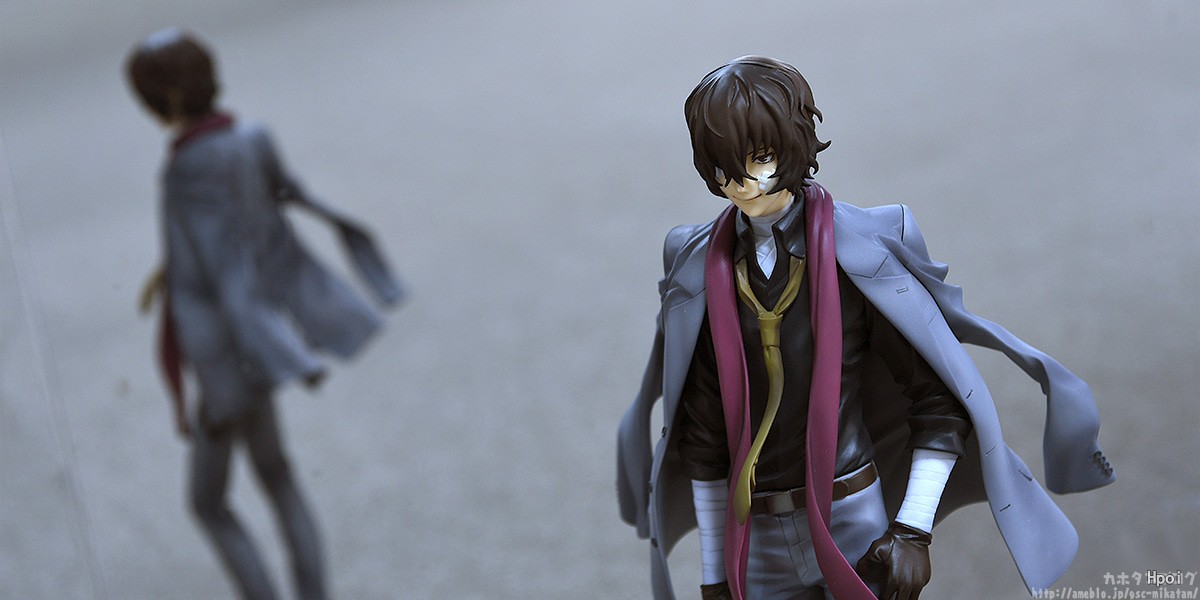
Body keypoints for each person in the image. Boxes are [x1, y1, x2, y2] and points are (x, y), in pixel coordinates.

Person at [616, 56, 1115, 600]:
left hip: (851, 516)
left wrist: (913, 531)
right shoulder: (699, 269)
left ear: (793, 145)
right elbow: (705, 438)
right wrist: (715, 577)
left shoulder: (858, 255)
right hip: (754, 535)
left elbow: (938, 400)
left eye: (758, 158)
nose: (740, 183)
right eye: (722, 166)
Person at [126, 28, 402, 600]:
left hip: (231, 357)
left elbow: (227, 265)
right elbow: (248, 227)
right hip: (259, 340)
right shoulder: (249, 139)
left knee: (208, 502)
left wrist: (270, 357)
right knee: (278, 477)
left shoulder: (187, 168)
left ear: (167, 97)